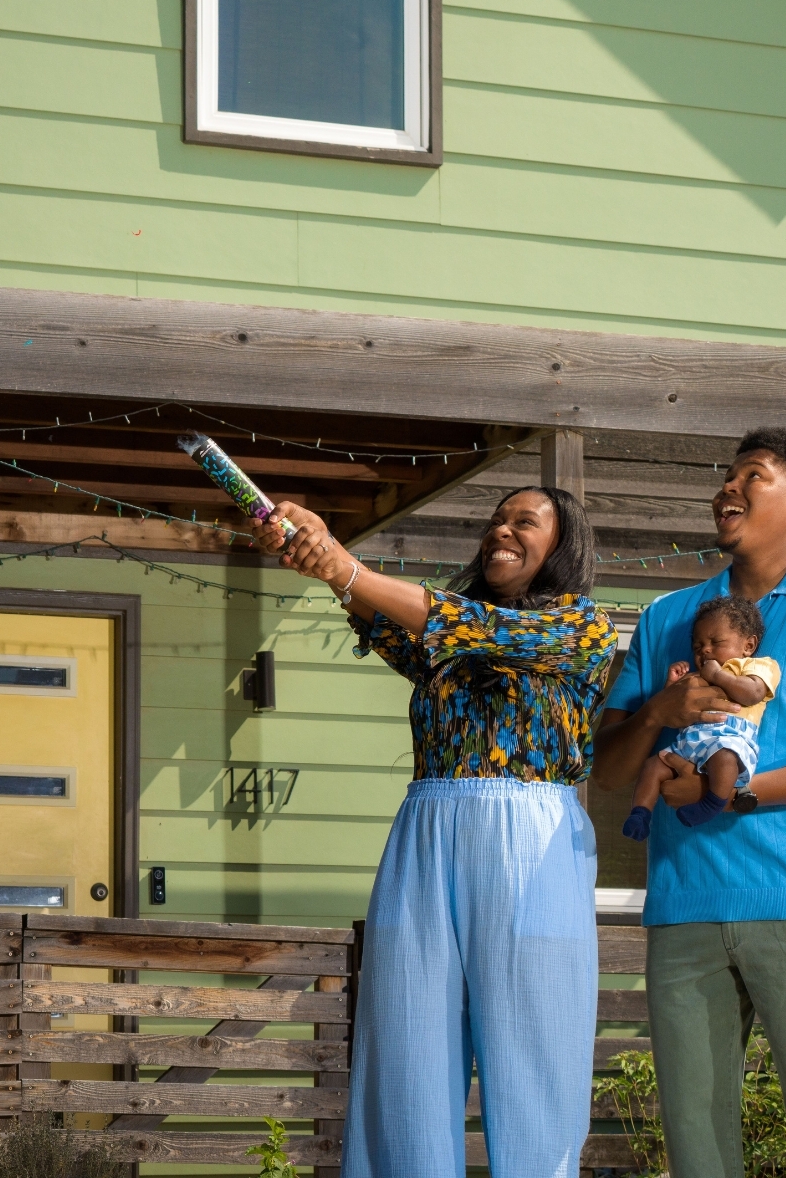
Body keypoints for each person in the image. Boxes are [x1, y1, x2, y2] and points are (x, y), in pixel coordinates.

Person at [271, 484, 617, 1178]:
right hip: (426, 829)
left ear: (563, 546)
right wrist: (315, 552)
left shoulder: (583, 627)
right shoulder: (444, 640)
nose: (501, 530)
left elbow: (468, 626)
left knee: (536, 1052)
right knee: (406, 1045)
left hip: (533, 842)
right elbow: (391, 619)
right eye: (497, 519)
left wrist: (342, 563)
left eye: (525, 522)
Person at [594, 427, 786, 1178]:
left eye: (752, 475)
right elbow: (608, 771)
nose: (727, 488)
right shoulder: (668, 616)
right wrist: (659, 712)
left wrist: (736, 795)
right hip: (685, 909)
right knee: (698, 1153)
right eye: (726, 476)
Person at [622, 595, 778, 837]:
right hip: (690, 740)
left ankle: (712, 804)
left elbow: (753, 693)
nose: (705, 649)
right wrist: (671, 687)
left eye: (716, 642)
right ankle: (640, 813)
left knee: (725, 758)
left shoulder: (756, 667)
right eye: (698, 646)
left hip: (729, 737)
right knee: (654, 765)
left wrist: (717, 676)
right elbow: (674, 711)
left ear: (748, 645)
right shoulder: (697, 675)